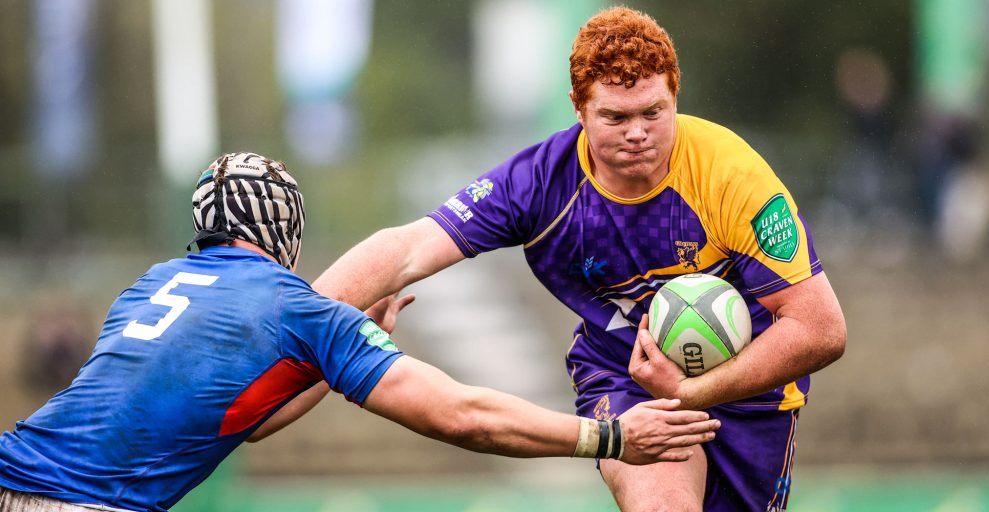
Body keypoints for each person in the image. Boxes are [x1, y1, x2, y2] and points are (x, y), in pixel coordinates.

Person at [313, 7, 846, 511]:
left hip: (749, 386)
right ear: (578, 107)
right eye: (615, 117)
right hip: (623, 373)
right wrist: (299, 312)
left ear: (674, 97)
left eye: (652, 113)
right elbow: (409, 247)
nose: (637, 133)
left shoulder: (732, 176)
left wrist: (691, 391)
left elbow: (821, 328)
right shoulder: (538, 183)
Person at [0, 152, 721, 512]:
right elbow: (459, 416)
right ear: (284, 227)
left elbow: (245, 418)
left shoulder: (147, 286)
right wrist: (612, 437)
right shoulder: (299, 308)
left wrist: (325, 359)